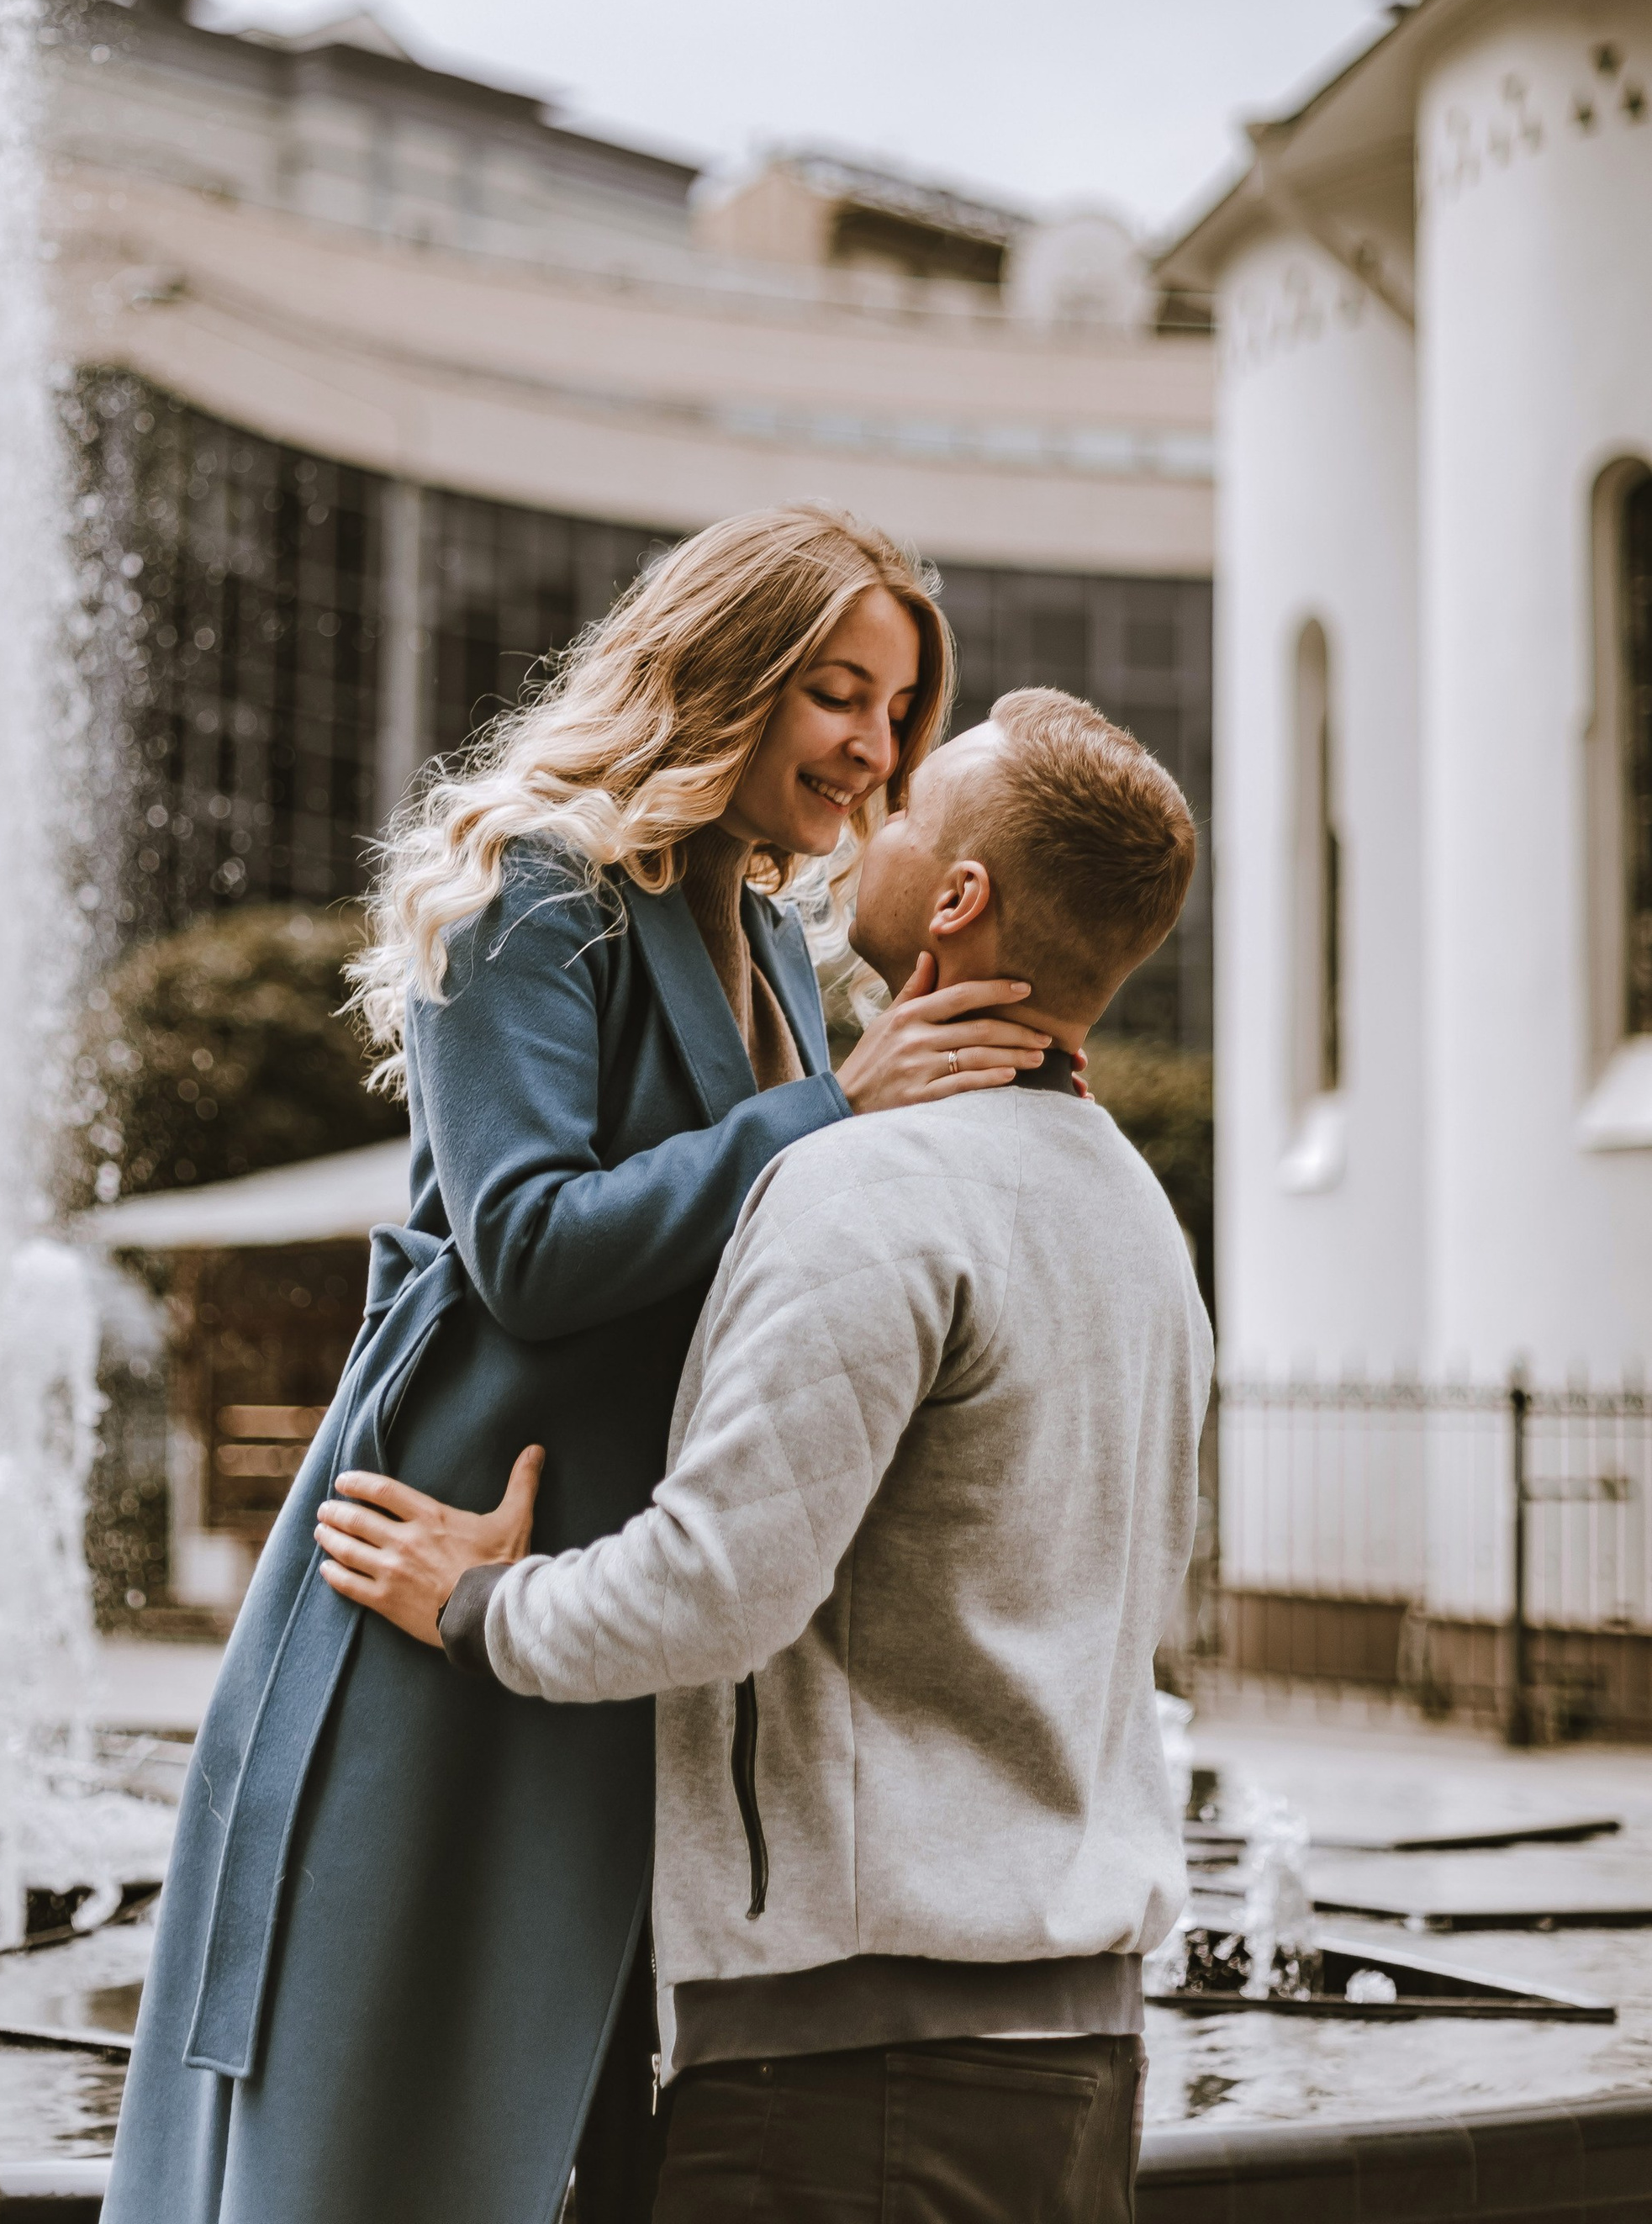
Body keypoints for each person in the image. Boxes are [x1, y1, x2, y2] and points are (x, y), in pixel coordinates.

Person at [103, 506, 1063, 2224]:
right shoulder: (532, 884)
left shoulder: (771, 936)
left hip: (602, 1605)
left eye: (901, 712)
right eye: (838, 693)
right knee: (383, 2114)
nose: (874, 747)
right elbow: (528, 1252)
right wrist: (839, 1102)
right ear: (731, 671)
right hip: (437, 1578)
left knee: (590, 2101)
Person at [317, 685, 1214, 2224]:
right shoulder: (1138, 1216)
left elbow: (715, 1589)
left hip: (856, 2083)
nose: (874, 803)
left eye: (915, 802)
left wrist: (477, 1601)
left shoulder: (868, 1190)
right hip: (1073, 2059)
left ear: (958, 899)